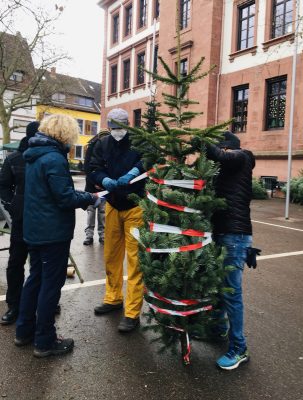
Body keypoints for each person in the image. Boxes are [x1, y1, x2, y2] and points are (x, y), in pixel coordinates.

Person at [15, 114, 99, 358]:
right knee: (50, 286)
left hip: (34, 230)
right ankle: (45, 341)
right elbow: (65, 198)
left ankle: (24, 331)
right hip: (52, 233)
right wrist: (90, 198)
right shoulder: (54, 158)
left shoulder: (33, 155)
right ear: (65, 133)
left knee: (35, 280)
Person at [90, 108, 145, 333]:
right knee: (111, 254)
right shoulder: (102, 144)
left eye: (120, 128)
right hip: (112, 204)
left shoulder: (139, 142)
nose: (117, 132)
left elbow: (150, 159)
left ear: (128, 126)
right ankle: (113, 298)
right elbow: (94, 168)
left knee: (135, 260)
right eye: (113, 128)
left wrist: (134, 171)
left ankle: (132, 312)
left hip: (135, 207)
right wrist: (104, 179)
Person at [206, 131, 255, 370]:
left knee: (232, 293)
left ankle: (239, 348)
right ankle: (217, 329)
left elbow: (222, 156)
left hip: (234, 237)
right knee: (219, 286)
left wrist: (202, 142)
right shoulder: (224, 171)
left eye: (222, 150)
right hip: (223, 234)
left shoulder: (243, 157)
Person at [0, 121, 40, 325]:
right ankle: (14, 306)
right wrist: (12, 205)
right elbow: (3, 186)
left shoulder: (49, 157)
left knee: (40, 264)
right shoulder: (15, 158)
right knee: (15, 263)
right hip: (21, 220)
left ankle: (41, 303)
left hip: (43, 220)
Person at [83, 130, 109, 246]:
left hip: (104, 188)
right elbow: (88, 167)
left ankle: (102, 236)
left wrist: (103, 183)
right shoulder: (92, 148)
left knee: (103, 213)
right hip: (91, 188)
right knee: (91, 212)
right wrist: (95, 182)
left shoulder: (109, 149)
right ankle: (89, 236)